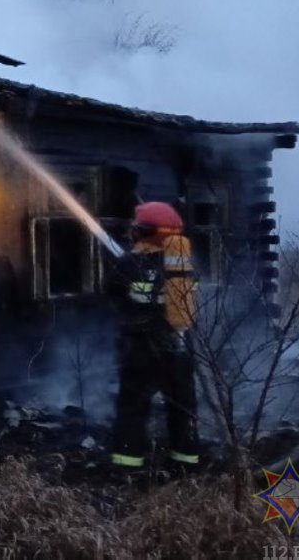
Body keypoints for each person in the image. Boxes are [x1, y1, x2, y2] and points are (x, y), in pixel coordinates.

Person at [110, 201, 199, 469]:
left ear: (145, 231)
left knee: (133, 406)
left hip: (141, 347)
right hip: (180, 343)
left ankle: (127, 466)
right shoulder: (183, 265)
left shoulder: (128, 263)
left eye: (137, 227)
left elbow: (112, 296)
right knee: (182, 406)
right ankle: (185, 463)